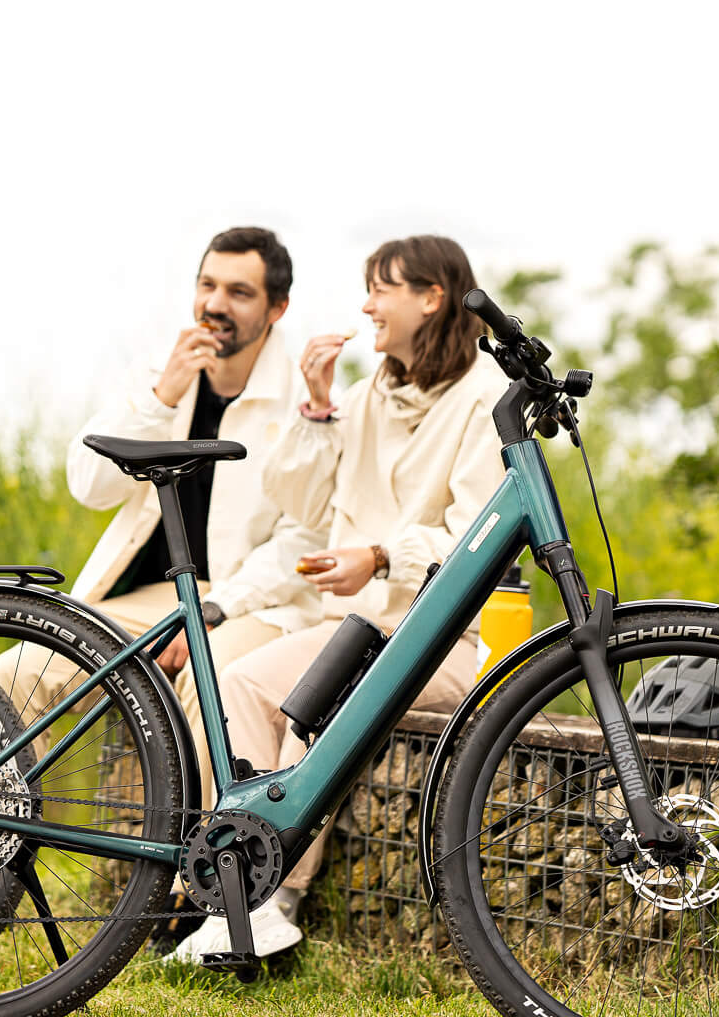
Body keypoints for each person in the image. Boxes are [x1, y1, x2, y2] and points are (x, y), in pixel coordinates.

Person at [168, 234, 511, 963]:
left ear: (432, 297)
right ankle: (236, 882)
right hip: (351, 628)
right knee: (239, 683)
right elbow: (298, 496)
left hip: (439, 642)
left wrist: (382, 556)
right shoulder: (366, 396)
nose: (366, 305)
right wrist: (319, 406)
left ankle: (273, 899)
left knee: (320, 698)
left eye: (381, 288)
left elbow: (478, 538)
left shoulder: (485, 397)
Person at [0, 227, 324, 813]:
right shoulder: (159, 373)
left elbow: (306, 533)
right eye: (208, 285)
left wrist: (213, 611)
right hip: (151, 596)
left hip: (249, 603)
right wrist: (161, 398)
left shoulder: (303, 397)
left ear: (278, 308)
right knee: (20, 668)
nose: (216, 305)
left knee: (211, 680)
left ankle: (200, 879)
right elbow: (89, 486)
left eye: (239, 292)